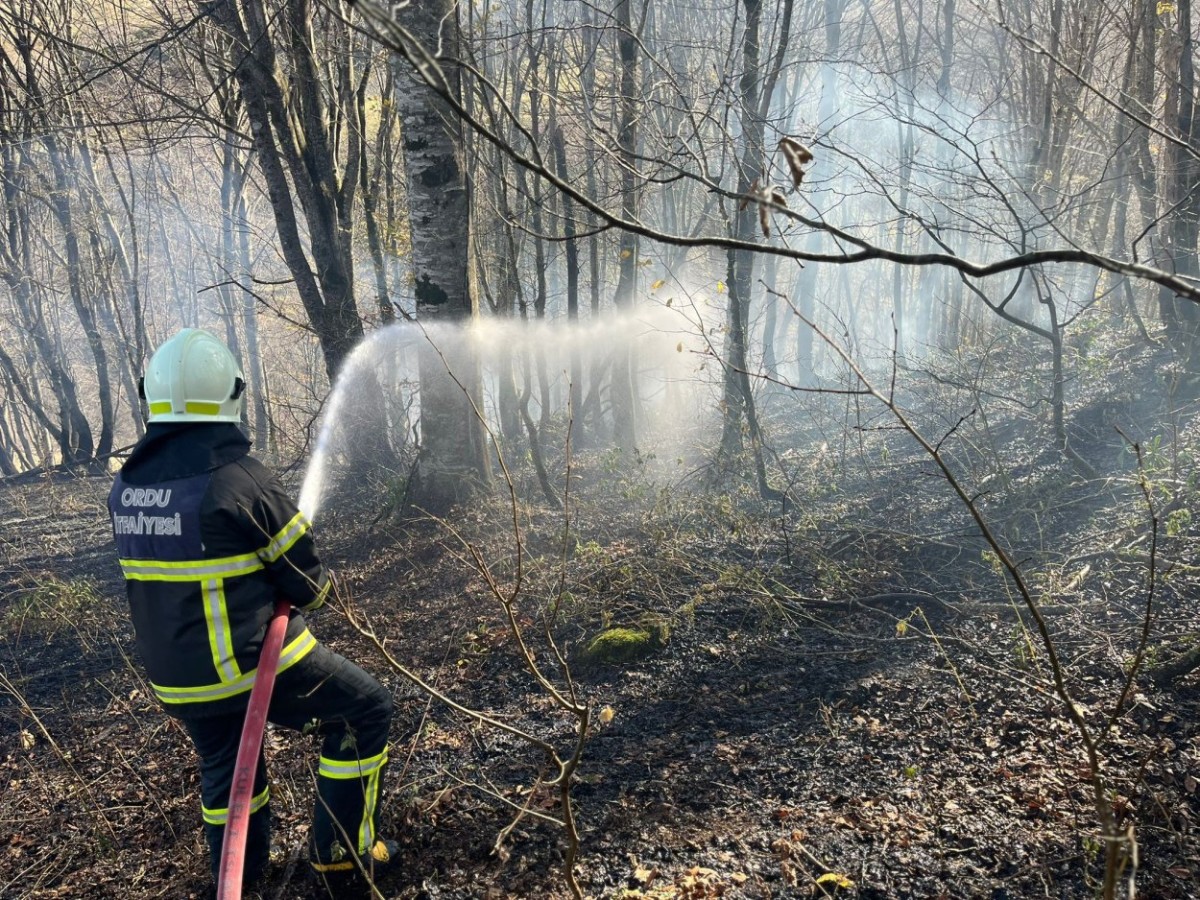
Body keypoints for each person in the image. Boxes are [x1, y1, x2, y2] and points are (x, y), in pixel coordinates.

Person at [107, 328, 396, 892]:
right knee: (364, 710)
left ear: (152, 396)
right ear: (231, 394)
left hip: (178, 678)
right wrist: (318, 584)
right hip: (248, 665)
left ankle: (242, 879)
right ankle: (342, 857)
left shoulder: (128, 488)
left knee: (228, 772)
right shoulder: (239, 480)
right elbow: (309, 587)